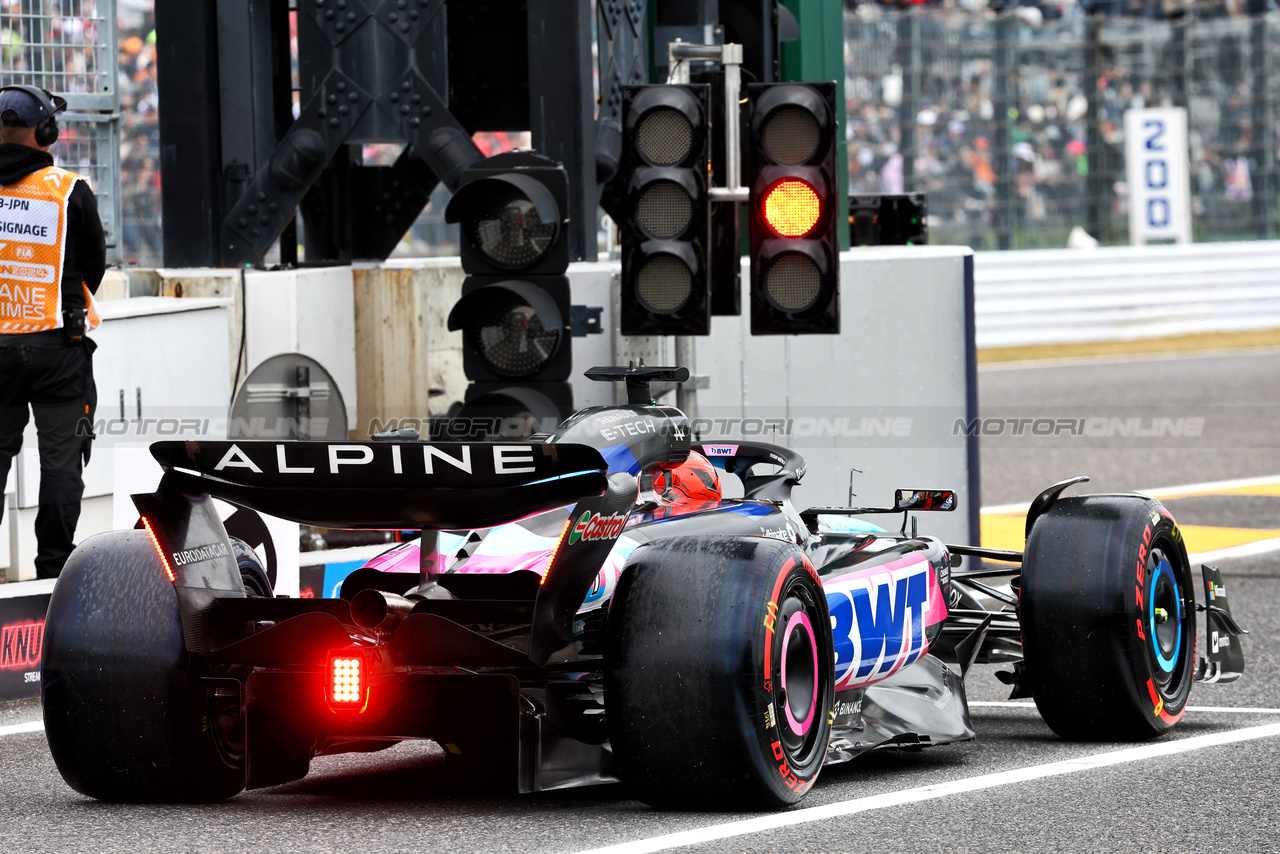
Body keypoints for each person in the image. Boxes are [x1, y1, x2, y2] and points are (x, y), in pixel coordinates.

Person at [0, 85, 105, 579]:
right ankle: (53, 572)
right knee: (63, 464)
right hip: (59, 349)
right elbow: (94, 265)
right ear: (46, 132)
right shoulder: (69, 189)